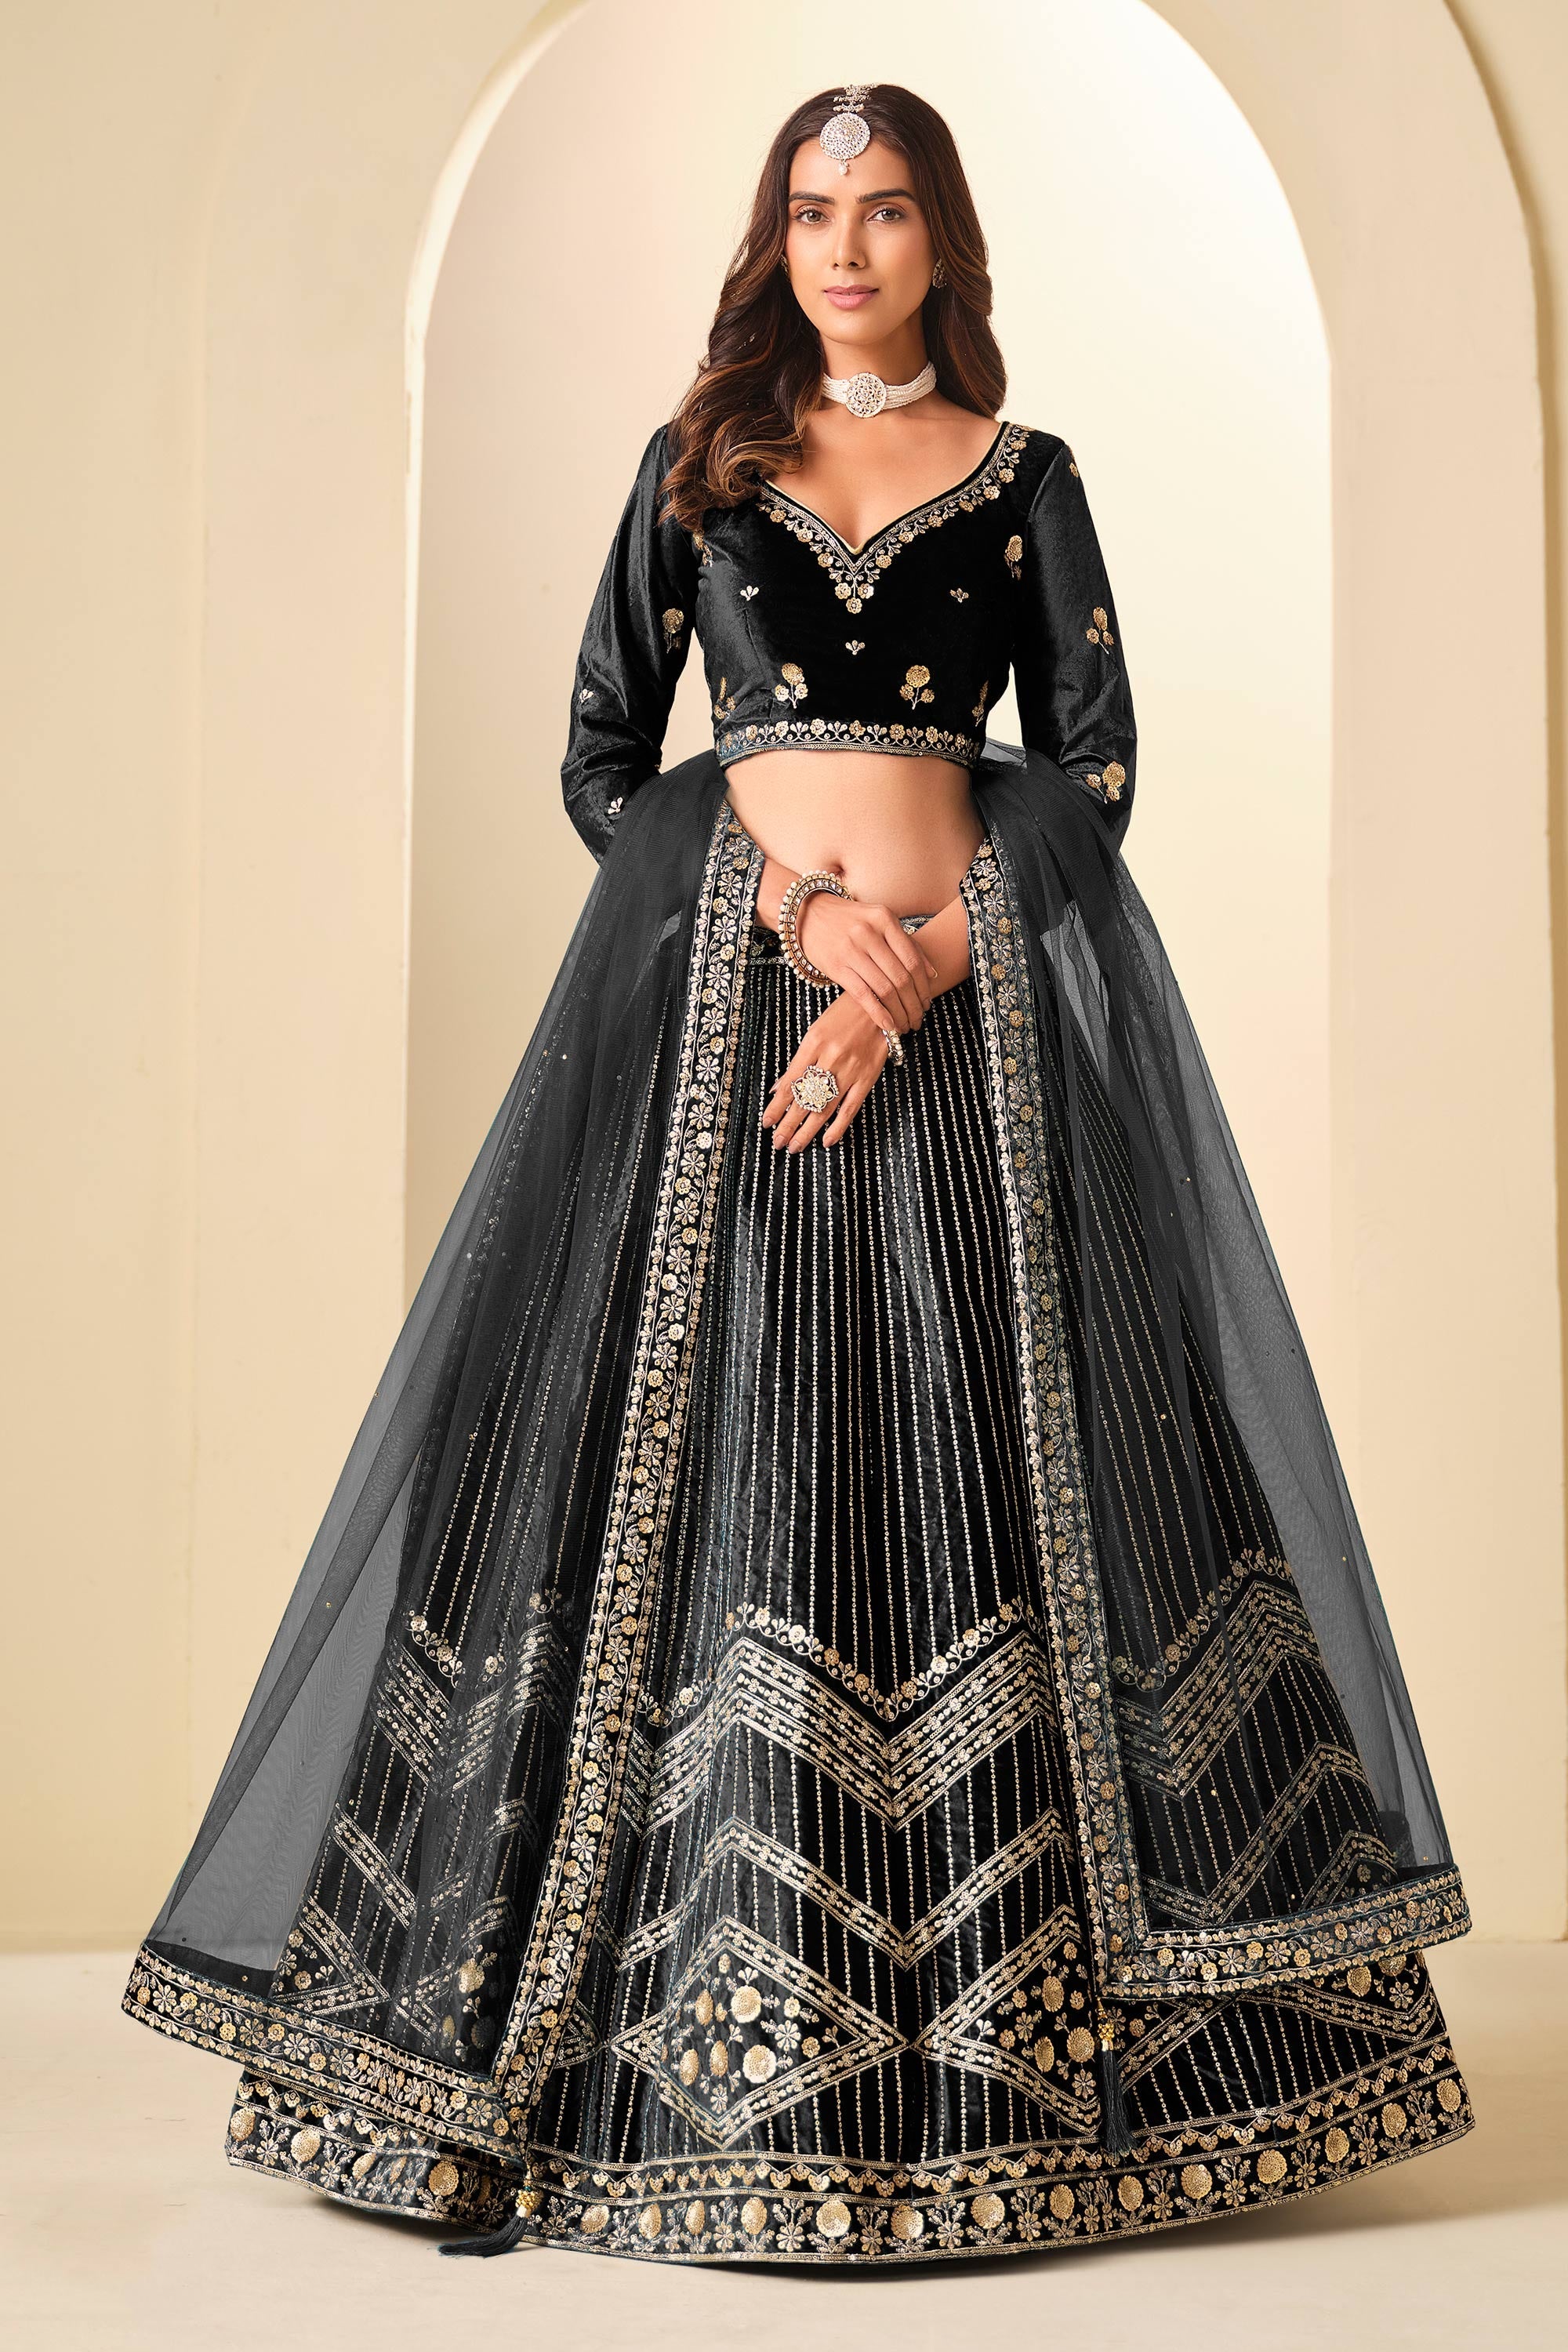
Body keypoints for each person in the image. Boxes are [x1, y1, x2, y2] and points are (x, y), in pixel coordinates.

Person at [122, 82, 1472, 2267]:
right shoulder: (705, 468)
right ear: (779, 235)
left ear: (946, 243)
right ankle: (627, 2064)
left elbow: (1091, 772)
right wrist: (788, 917)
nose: (847, 245)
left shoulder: (1027, 479)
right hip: (717, 1057)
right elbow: (605, 759)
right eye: (815, 209)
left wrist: (909, 972)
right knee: (705, 1467)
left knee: (991, 1478)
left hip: (967, 1062)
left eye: (889, 209)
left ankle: (1017, 2075)